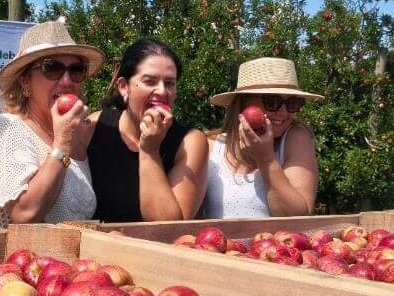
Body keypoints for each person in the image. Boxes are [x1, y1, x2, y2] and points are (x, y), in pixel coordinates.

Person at [0, 19, 104, 229]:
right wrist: (62, 144)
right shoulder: (7, 128)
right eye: (52, 68)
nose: (67, 81)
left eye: (77, 69)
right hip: (9, 260)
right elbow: (25, 213)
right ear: (25, 81)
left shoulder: (74, 138)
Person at [88, 39, 209, 222]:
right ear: (123, 87)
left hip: (154, 250)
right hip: (96, 248)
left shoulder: (190, 142)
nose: (161, 91)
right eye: (149, 81)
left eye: (169, 83)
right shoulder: (96, 127)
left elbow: (168, 227)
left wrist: (150, 150)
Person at [201, 57, 322, 219]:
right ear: (243, 102)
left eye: (293, 103)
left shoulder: (295, 138)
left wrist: (266, 160)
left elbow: (297, 220)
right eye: (272, 101)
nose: (284, 113)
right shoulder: (210, 147)